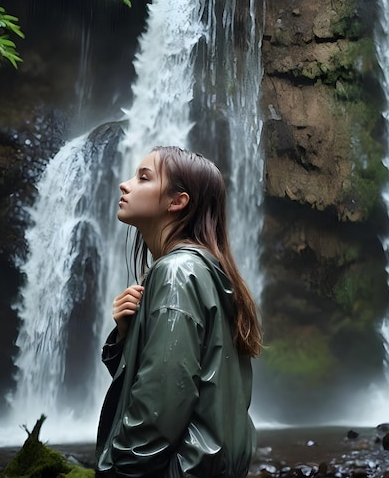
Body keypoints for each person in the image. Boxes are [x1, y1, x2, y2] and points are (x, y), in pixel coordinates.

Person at [95, 145, 263, 478]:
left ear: (177, 201)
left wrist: (119, 470)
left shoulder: (176, 273)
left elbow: (158, 407)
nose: (124, 185)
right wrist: (129, 336)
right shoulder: (205, 271)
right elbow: (173, 381)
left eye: (143, 177)